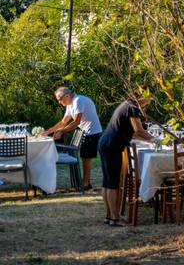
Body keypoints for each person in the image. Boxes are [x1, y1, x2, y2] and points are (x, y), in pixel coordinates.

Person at [98, 94, 157, 226]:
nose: (148, 103)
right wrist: (156, 140)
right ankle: (114, 218)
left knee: (107, 182)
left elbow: (134, 133)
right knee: (112, 183)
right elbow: (139, 130)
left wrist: (149, 139)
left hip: (106, 143)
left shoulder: (127, 104)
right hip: (112, 145)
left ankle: (110, 216)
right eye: (149, 99)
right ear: (143, 96)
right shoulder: (132, 107)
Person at [44, 87, 102, 191]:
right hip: (85, 131)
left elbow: (76, 122)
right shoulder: (70, 104)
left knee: (86, 158)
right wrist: (47, 132)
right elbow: (63, 122)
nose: (59, 103)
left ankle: (85, 184)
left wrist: (61, 131)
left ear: (67, 96)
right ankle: (85, 182)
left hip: (92, 132)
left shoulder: (78, 101)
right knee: (84, 157)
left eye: (59, 99)